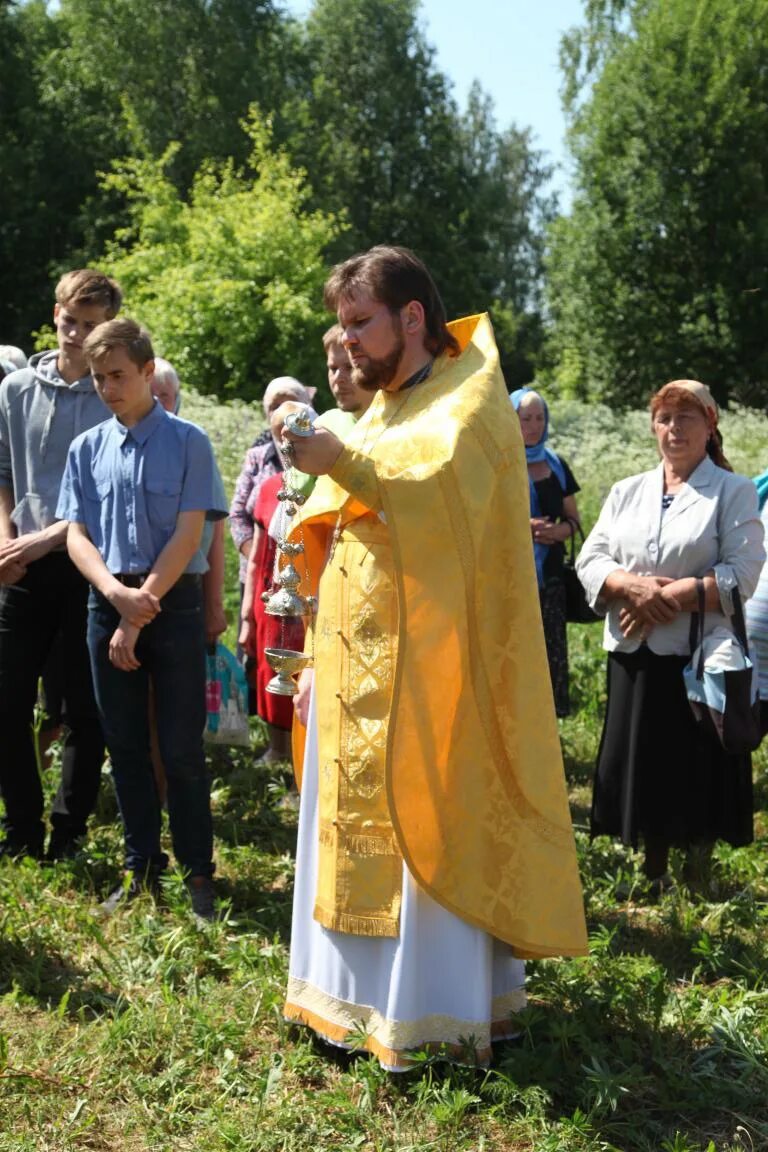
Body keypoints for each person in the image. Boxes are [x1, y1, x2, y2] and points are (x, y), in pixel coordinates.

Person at [281, 245, 587, 1071]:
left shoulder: (470, 390)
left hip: (433, 669)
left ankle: (429, 1014)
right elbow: (354, 502)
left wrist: (340, 462)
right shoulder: (384, 401)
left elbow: (441, 490)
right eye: (341, 325)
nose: (345, 343)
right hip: (356, 660)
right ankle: (345, 999)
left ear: (412, 317)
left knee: (428, 818)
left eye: (360, 324)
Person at [57, 319, 228, 919]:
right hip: (107, 604)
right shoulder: (87, 449)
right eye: (99, 378)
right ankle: (140, 871)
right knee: (124, 745)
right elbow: (77, 533)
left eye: (119, 376)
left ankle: (198, 874)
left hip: (171, 604)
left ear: (148, 373)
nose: (107, 388)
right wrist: (113, 596)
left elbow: (190, 536)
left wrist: (139, 610)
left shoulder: (189, 442)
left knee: (180, 748)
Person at [577, 380, 764, 895]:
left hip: (694, 656)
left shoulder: (733, 491)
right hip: (635, 651)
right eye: (664, 418)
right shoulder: (627, 490)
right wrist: (631, 587)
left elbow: (744, 571)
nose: (674, 428)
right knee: (643, 757)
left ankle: (694, 867)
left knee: (691, 761)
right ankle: (649, 866)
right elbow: (591, 558)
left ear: (710, 425)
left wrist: (677, 596)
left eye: (687, 417)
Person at [0, 269, 121, 860]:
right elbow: (1, 471)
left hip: (84, 561)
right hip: (18, 567)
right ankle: (20, 829)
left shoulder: (110, 395)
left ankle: (68, 832)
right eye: (69, 321)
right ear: (54, 315)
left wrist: (37, 543)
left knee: (80, 707)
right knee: (7, 697)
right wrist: (6, 542)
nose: (76, 335)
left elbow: (98, 497)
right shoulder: (16, 387)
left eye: (90, 326)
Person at [229, 376, 316, 711]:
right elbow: (239, 514)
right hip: (262, 573)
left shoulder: (320, 460)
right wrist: (265, 559)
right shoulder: (259, 458)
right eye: (274, 407)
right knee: (261, 652)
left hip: (304, 578)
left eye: (289, 401)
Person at [511, 387, 581, 717]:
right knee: (516, 660)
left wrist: (558, 531)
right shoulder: (500, 463)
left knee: (549, 656)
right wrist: (521, 526)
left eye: (540, 417)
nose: (534, 425)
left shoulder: (556, 464)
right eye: (526, 418)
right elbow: (485, 518)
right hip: (512, 579)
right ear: (511, 419)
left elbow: (574, 520)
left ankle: (549, 740)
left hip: (551, 581)